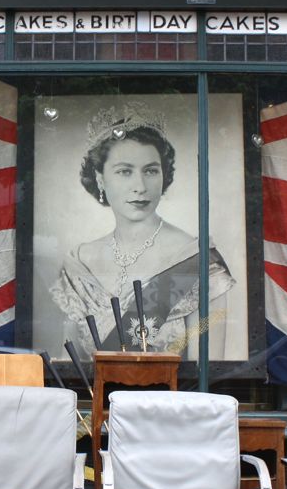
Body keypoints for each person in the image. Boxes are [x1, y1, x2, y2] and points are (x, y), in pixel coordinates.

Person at [50, 104, 235, 361]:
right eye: (124, 171)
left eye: (150, 170)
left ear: (163, 175)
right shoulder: (79, 262)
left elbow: (208, 372)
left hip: (173, 400)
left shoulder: (197, 259)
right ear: (101, 179)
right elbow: (71, 366)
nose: (140, 186)